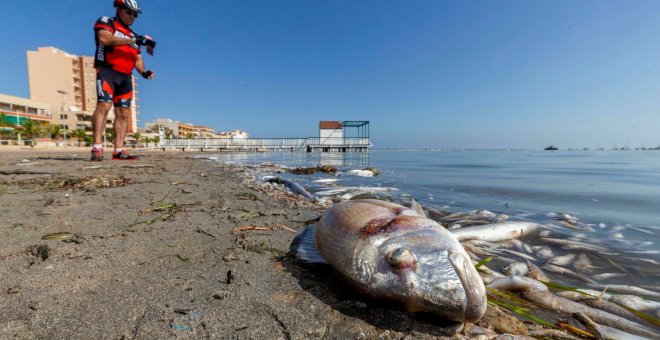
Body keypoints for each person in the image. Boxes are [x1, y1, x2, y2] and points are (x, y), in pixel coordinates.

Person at [90, 0, 156, 161]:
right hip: (107, 70)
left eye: (135, 14)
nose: (132, 17)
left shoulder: (134, 36)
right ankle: (97, 147)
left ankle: (118, 150)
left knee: (123, 112)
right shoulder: (107, 22)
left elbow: (137, 58)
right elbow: (104, 39)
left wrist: (143, 72)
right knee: (104, 105)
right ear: (119, 9)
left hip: (126, 76)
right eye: (129, 12)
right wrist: (134, 40)